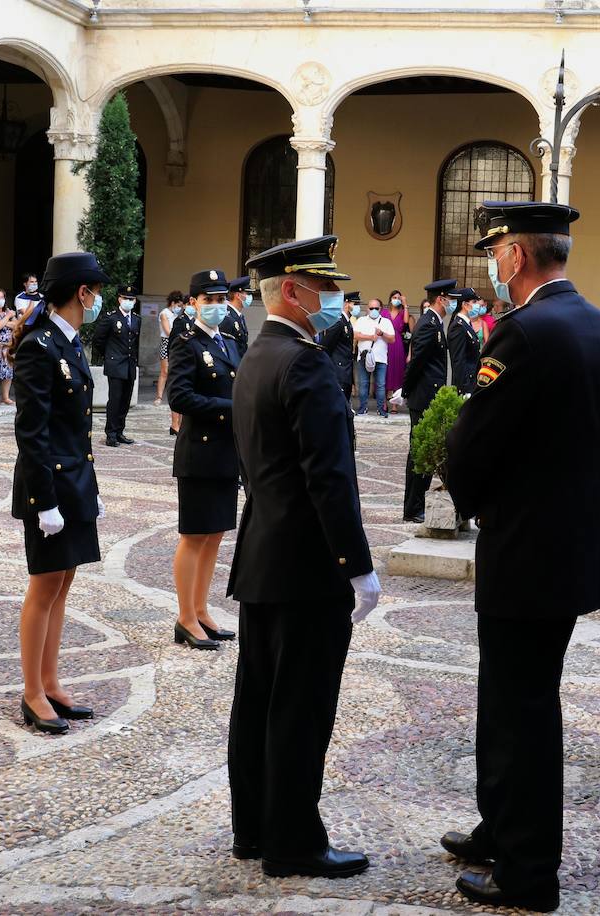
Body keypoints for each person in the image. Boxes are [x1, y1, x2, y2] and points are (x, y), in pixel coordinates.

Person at [443, 202, 600, 913]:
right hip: (571, 542)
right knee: (513, 697)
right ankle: (500, 826)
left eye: (496, 251)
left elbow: (472, 444)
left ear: (517, 256)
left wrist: (477, 502)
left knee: (520, 708)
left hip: (522, 543)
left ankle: (528, 872)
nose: (493, 263)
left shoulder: (523, 331)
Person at [227, 234, 379, 879]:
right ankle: (293, 842)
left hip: (263, 554)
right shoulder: (307, 364)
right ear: (293, 290)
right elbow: (329, 479)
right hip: (308, 565)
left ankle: (254, 828)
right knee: (300, 707)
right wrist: (358, 566)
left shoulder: (258, 356)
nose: (336, 301)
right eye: (327, 289)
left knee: (258, 699)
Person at [9, 252, 107, 736]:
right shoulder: (40, 347)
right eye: (95, 290)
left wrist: (91, 489)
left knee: (63, 583)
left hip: (73, 482)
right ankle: (31, 691)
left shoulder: (69, 344)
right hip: (48, 485)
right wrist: (44, 500)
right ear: (81, 293)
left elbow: (77, 430)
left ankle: (50, 680)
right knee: (44, 585)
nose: (98, 299)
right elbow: (32, 433)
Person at [168, 268, 241, 651]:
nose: (216, 306)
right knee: (194, 535)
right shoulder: (186, 343)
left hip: (226, 453)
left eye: (221, 299)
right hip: (200, 450)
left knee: (214, 535)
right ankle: (184, 616)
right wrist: (231, 408)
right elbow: (178, 396)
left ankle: (201, 609)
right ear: (194, 302)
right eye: (209, 300)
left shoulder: (229, 343)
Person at [400, 280, 454, 522]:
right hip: (422, 398)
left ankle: (415, 506)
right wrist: (406, 391)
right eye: (450, 298)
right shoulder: (428, 324)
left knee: (421, 455)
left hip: (428, 396)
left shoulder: (435, 323)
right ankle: (413, 508)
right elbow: (416, 363)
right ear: (441, 299)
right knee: (419, 455)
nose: (453, 303)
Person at [91, 283, 142, 447]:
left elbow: (134, 343)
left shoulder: (136, 319)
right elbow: (98, 339)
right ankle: (111, 434)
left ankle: (120, 431)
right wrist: (108, 356)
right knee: (115, 400)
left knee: (125, 400)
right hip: (115, 364)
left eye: (131, 299)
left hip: (129, 364)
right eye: (126, 298)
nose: (128, 301)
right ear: (119, 299)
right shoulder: (111, 317)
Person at [353, 296, 394, 416]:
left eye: (376, 308)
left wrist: (382, 333)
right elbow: (355, 335)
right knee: (363, 383)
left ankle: (381, 409)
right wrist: (370, 337)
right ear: (367, 309)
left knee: (380, 385)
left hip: (381, 358)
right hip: (364, 358)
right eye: (371, 308)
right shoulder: (361, 321)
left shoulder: (386, 322)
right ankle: (363, 408)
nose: (374, 310)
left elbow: (392, 339)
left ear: (380, 309)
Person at [321, 291, 357, 407]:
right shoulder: (338, 322)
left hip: (345, 371)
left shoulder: (347, 322)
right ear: (346, 303)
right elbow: (326, 346)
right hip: (338, 371)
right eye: (355, 303)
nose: (357, 307)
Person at [446, 287, 481, 395]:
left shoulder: (466, 324)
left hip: (472, 381)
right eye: (474, 302)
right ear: (465, 305)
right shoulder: (458, 326)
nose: (477, 305)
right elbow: (459, 360)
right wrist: (464, 389)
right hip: (466, 384)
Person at [155, 290, 182, 407]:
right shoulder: (164, 313)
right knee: (165, 371)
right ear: (172, 303)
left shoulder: (177, 315)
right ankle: (159, 397)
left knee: (175, 371)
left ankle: (173, 395)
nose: (179, 308)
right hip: (166, 343)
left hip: (177, 343)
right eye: (178, 305)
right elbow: (168, 331)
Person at [0, 289, 16, 406]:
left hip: (8, 347)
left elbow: (17, 325)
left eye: (2, 297)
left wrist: (3, 321)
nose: (0, 300)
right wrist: (8, 318)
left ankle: (5, 397)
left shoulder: (7, 312)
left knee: (8, 372)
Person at [381, 290, 409, 397]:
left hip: (397, 344)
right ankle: (383, 401)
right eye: (394, 297)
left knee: (397, 370)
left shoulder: (402, 313)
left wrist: (405, 304)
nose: (396, 300)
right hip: (385, 342)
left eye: (398, 298)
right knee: (385, 371)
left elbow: (406, 321)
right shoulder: (384, 312)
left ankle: (395, 403)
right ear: (390, 298)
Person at [221, 276, 252, 353]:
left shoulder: (239, 316)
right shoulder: (227, 318)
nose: (250, 296)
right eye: (247, 293)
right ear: (238, 295)